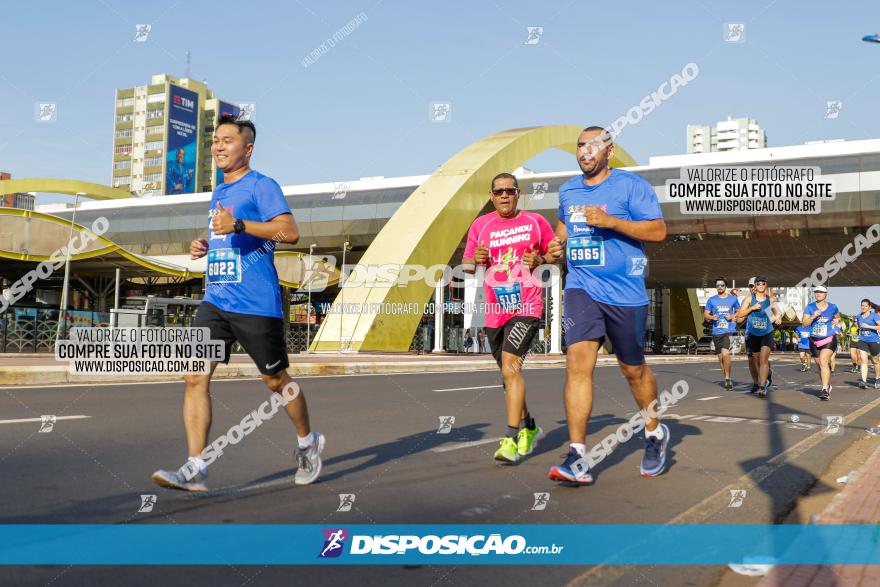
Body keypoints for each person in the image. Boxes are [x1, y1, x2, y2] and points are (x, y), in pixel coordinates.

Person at [152, 115, 324, 491]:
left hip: (255, 303)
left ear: (247, 148)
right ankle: (196, 467)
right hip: (216, 299)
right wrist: (204, 242)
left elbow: (290, 232)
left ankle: (308, 443)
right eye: (215, 141)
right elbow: (223, 231)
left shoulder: (262, 185)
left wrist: (240, 226)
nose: (218, 146)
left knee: (275, 381)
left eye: (227, 140)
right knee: (195, 375)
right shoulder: (219, 192)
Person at [544, 126, 668, 485]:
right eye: (580, 146)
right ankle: (577, 455)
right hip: (583, 287)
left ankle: (655, 432)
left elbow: (658, 231)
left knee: (634, 371)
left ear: (609, 152)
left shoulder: (631, 186)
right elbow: (562, 234)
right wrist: (556, 248)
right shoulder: (568, 190)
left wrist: (612, 221)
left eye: (592, 146)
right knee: (577, 365)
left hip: (626, 292)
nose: (584, 152)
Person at [462, 172, 554, 465]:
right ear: (491, 196)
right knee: (507, 375)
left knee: (512, 367)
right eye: (498, 191)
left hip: (526, 306)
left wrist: (540, 260)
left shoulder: (536, 222)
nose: (504, 195)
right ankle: (530, 426)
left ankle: (511, 439)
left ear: (518, 193)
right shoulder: (481, 225)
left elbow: (554, 254)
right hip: (495, 311)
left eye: (509, 190)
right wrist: (474, 260)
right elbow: (465, 265)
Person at [736, 276, 781, 398]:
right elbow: (740, 314)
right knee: (755, 359)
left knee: (763, 360)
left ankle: (762, 386)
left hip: (767, 332)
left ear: (766, 285)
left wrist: (777, 318)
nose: (760, 285)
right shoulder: (749, 299)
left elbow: (775, 313)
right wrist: (752, 308)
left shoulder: (770, 300)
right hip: (753, 333)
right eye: (758, 284)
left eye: (763, 283)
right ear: (755, 286)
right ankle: (764, 379)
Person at [801, 285, 842, 401]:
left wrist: (837, 320)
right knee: (820, 365)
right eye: (816, 292)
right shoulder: (810, 307)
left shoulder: (833, 307)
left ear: (826, 294)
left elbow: (838, 317)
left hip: (828, 338)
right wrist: (814, 316)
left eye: (821, 292)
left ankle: (824, 390)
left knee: (824, 361)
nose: (818, 294)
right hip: (814, 340)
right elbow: (804, 324)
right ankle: (827, 385)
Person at [703, 278, 740, 389]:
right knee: (720, 358)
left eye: (722, 285)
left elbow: (739, 312)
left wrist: (732, 316)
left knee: (725, 354)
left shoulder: (733, 299)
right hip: (716, 331)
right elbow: (706, 315)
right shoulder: (711, 300)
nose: (720, 287)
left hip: (729, 330)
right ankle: (725, 378)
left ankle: (728, 378)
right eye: (718, 285)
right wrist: (712, 317)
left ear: (725, 286)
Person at [855, 299, 880, 389]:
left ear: (869, 307)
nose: (863, 307)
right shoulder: (858, 316)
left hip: (874, 340)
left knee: (875, 361)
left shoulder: (874, 316)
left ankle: (877, 379)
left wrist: (869, 326)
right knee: (863, 360)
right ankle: (863, 381)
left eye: (865, 305)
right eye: (862, 305)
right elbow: (858, 326)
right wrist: (857, 331)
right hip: (863, 340)